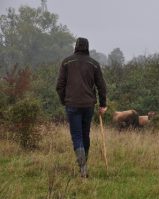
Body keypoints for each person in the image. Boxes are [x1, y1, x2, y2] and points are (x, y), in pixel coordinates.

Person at [56, 37, 107, 178]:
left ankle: (83, 168)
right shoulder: (94, 64)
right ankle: (84, 166)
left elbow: (59, 86)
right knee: (85, 135)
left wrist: (64, 101)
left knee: (77, 136)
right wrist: (103, 104)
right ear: (87, 47)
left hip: (72, 105)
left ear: (76, 46)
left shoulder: (66, 62)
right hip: (88, 105)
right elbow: (101, 86)